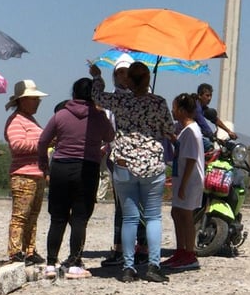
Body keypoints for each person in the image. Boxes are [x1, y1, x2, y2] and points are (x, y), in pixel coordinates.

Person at [90, 62, 175, 283]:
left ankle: (128, 267)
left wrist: (97, 76)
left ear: (127, 80)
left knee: (129, 218)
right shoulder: (158, 102)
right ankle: (153, 265)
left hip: (124, 162)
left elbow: (97, 96)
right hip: (152, 165)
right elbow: (169, 129)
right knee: (153, 216)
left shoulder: (119, 100)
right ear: (147, 80)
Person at [38, 78, 114, 279]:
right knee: (80, 217)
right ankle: (73, 263)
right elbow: (111, 136)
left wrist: (44, 165)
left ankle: (51, 264)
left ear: (73, 93)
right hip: (87, 168)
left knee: (58, 217)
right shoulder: (98, 117)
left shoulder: (60, 115)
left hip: (61, 167)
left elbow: (43, 141)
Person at [100, 55, 149, 268]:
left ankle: (143, 247)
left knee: (141, 205)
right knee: (121, 207)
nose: (123, 76)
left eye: (127, 72)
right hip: (117, 157)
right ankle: (119, 248)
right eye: (119, 72)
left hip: (139, 157)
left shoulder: (144, 98)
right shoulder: (110, 99)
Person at [4, 80, 48, 266]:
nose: (37, 102)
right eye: (34, 99)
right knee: (21, 216)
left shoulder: (28, 119)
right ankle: (15, 251)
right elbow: (17, 144)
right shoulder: (16, 120)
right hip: (23, 175)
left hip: (34, 173)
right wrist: (43, 144)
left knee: (32, 215)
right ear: (23, 101)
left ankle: (29, 250)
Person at [162, 93, 205, 270]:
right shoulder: (185, 131)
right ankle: (180, 251)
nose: (172, 111)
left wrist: (184, 185)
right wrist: (172, 138)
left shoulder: (192, 132)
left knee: (186, 215)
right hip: (183, 179)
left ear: (180, 110)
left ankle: (189, 253)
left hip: (191, 180)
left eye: (174, 108)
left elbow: (191, 160)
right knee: (176, 213)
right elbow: (181, 149)